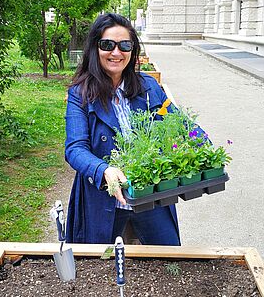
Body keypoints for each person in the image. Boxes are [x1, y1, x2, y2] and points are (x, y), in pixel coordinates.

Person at [64, 13, 180, 245]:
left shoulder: (148, 86)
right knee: (99, 272)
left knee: (167, 265)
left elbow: (177, 122)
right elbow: (75, 148)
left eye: (124, 45)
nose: (116, 53)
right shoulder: (80, 94)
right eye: (108, 45)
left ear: (132, 50)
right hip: (103, 200)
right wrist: (104, 170)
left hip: (151, 195)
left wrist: (201, 143)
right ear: (95, 48)